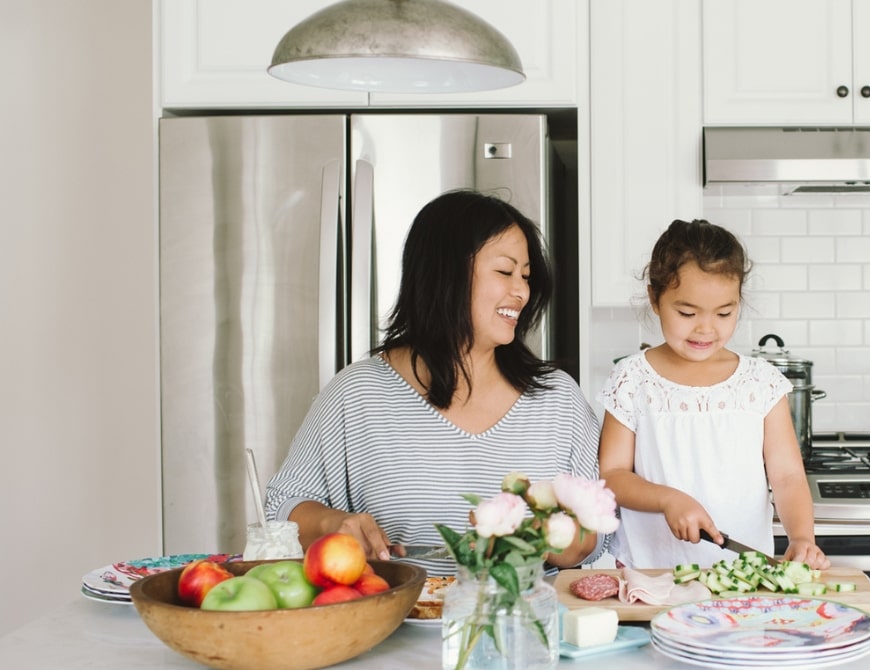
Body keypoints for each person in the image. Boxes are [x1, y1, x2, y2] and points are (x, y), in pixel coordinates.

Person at [264, 189, 604, 574]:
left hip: (523, 626)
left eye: (525, 276)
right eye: (506, 271)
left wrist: (557, 541)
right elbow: (283, 507)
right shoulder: (357, 393)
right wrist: (332, 525)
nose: (522, 291)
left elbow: (596, 534)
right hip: (391, 627)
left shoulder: (558, 398)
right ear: (447, 272)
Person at [597, 218, 829, 570]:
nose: (706, 328)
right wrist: (667, 499)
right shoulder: (633, 378)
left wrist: (802, 538)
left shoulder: (760, 382)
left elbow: (787, 477)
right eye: (687, 312)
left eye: (724, 312)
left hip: (742, 573)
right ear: (655, 299)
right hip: (650, 571)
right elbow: (611, 475)